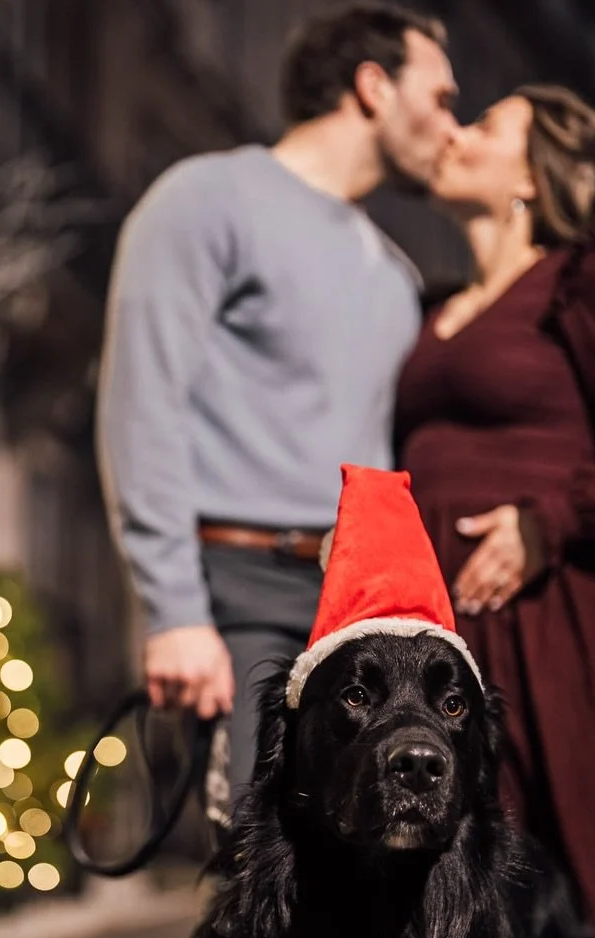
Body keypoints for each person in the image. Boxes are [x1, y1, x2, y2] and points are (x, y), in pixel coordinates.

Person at [96, 3, 459, 814]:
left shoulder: (394, 276)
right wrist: (174, 611)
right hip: (237, 592)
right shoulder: (206, 199)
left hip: (354, 605)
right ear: (373, 86)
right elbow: (141, 403)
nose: (450, 126)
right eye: (439, 97)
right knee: (253, 867)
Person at [393, 84, 595, 938]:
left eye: (487, 126)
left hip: (559, 629)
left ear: (540, 173)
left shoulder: (592, 278)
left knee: (584, 899)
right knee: (446, 897)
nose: (456, 133)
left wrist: (549, 525)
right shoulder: (435, 307)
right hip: (443, 637)